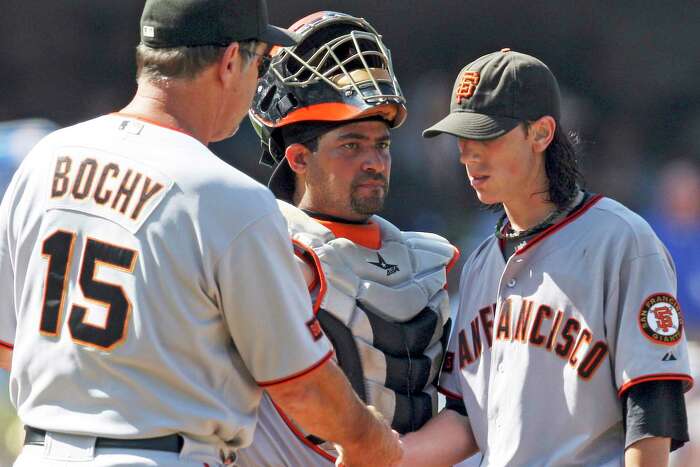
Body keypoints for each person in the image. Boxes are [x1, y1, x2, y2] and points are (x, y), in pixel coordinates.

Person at [0, 1, 403, 466]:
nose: (256, 79)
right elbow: (302, 384)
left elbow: (10, 346)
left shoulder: (45, 159)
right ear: (231, 60)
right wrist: (371, 441)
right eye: (259, 61)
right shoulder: (226, 195)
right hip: (161, 455)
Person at [399, 49, 693, 467]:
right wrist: (382, 454)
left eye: (486, 135)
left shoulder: (621, 241)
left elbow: (652, 407)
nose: (468, 155)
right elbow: (467, 418)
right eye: (462, 139)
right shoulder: (483, 262)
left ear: (540, 134)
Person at [236, 11, 459, 466]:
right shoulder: (262, 254)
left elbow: (467, 410)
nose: (375, 161)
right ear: (298, 158)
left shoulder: (430, 262)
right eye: (351, 146)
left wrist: (394, 458)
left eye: (382, 144)